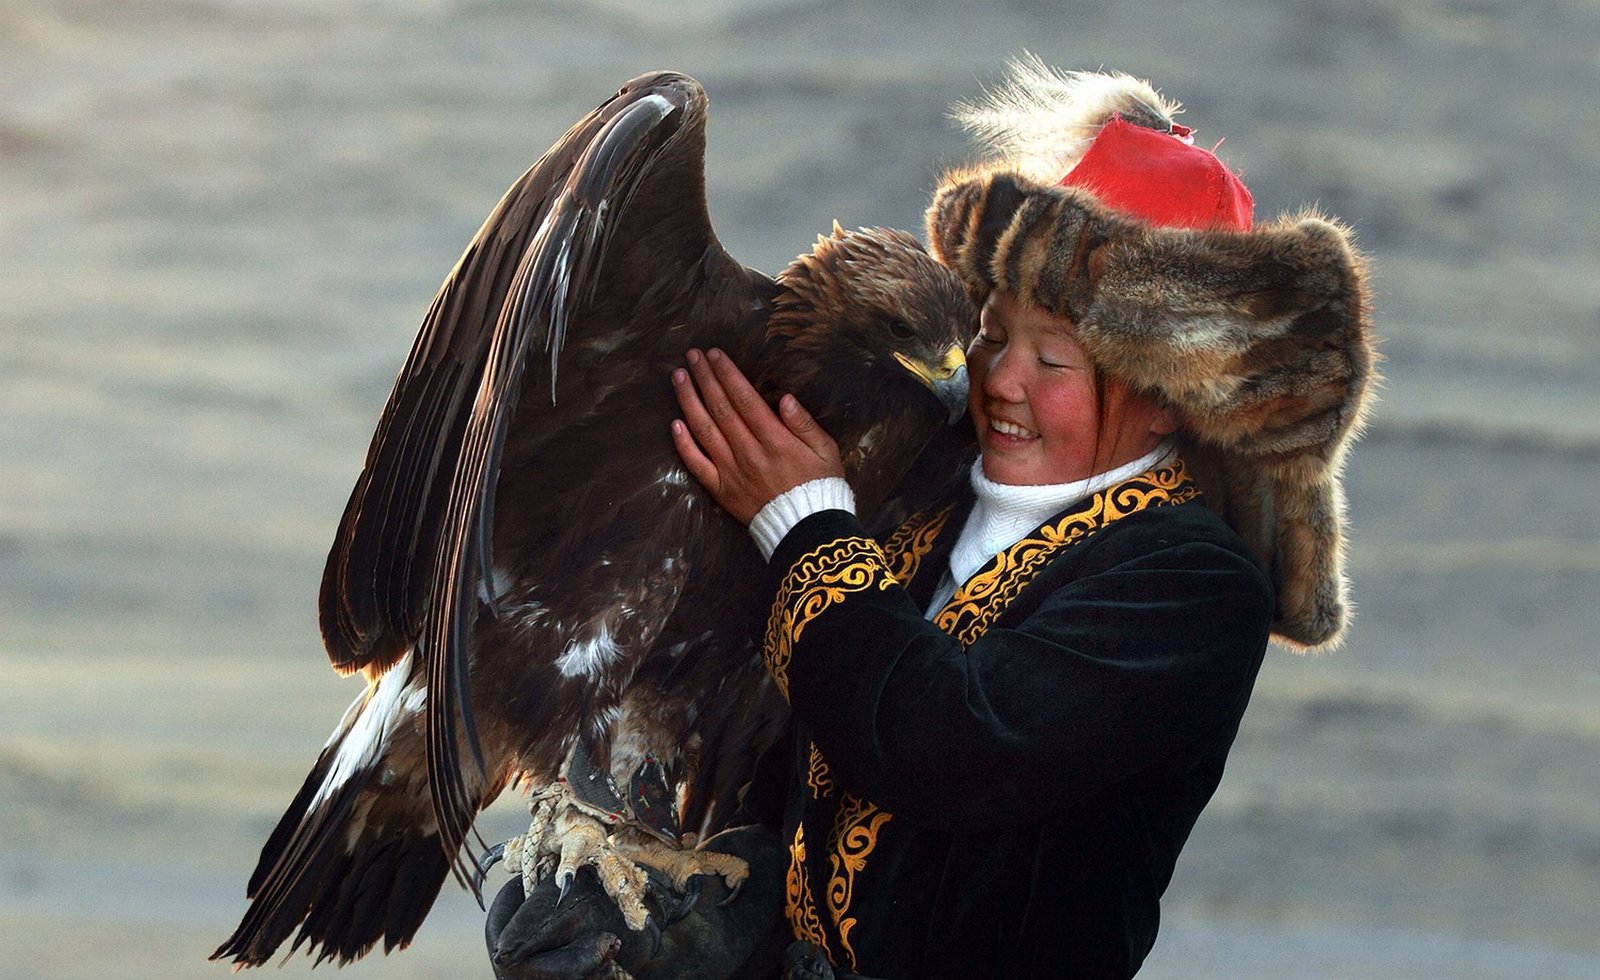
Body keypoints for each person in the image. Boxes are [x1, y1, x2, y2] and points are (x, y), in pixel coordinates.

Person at [487, 60, 1374, 979]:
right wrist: (706, 924)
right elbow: (814, 794)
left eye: (1053, 362)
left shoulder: (1191, 585)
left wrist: (802, 520)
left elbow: (951, 749)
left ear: (1167, 399)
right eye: (992, 330)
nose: (997, 378)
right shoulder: (932, 495)